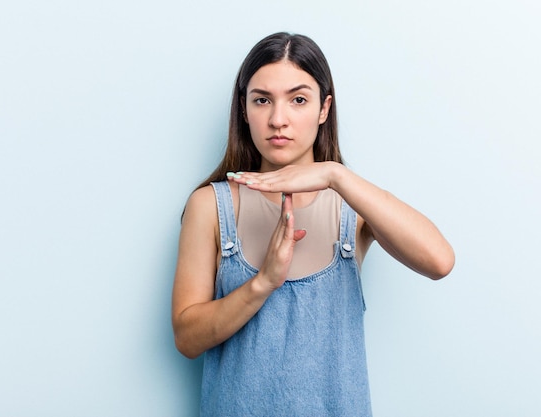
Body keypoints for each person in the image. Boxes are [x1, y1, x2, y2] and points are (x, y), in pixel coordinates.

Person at [172, 32, 455, 416]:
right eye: (262, 100)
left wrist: (337, 176)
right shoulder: (210, 205)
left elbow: (439, 261)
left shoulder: (352, 208)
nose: (277, 119)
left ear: (324, 109)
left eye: (298, 100)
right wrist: (262, 283)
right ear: (243, 109)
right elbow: (187, 338)